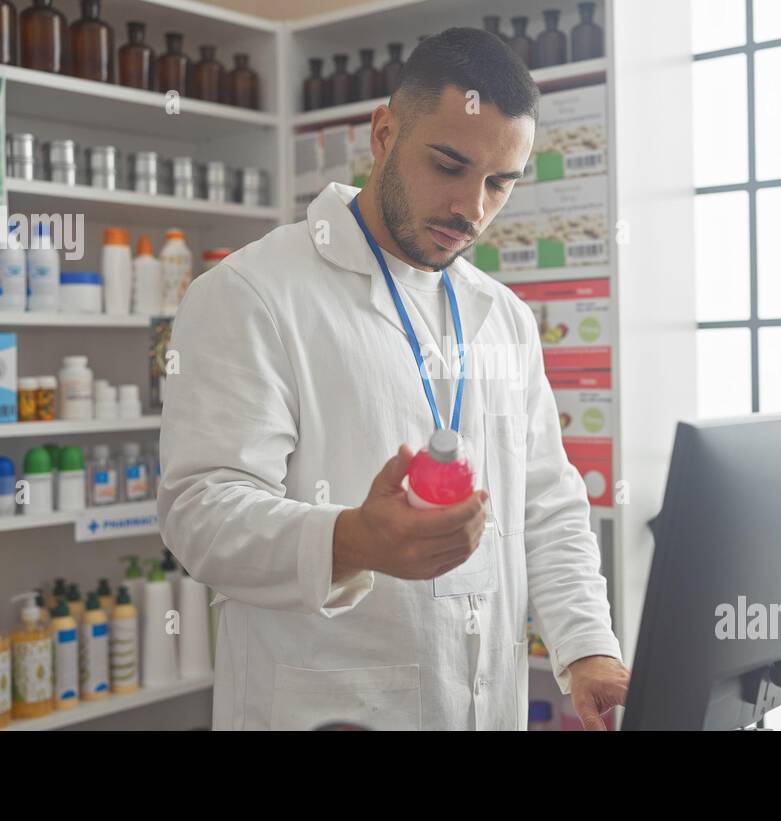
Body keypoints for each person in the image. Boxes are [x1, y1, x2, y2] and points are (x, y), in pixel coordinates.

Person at [158, 27, 627, 731]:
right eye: (448, 165)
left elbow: (548, 503)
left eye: (499, 183)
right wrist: (349, 539)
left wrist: (586, 647)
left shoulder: (503, 317)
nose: (472, 208)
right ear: (384, 132)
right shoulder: (252, 292)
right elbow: (199, 513)